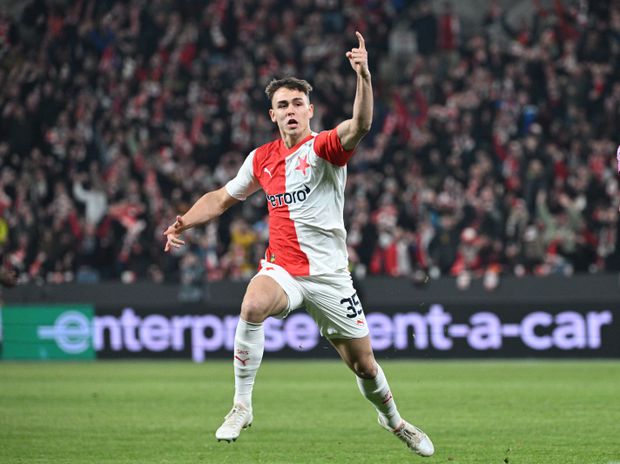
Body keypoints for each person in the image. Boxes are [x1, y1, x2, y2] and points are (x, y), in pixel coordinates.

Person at [164, 32, 434, 457]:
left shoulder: (323, 148)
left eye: (297, 104)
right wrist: (183, 221)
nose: (290, 111)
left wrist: (364, 77)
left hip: (329, 276)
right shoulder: (261, 159)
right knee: (253, 304)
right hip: (283, 269)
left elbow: (361, 125)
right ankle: (241, 406)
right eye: (283, 105)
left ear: (310, 110)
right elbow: (221, 198)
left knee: (364, 366)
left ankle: (395, 421)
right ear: (272, 115)